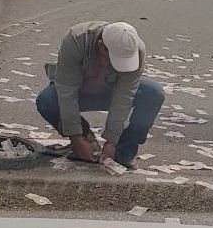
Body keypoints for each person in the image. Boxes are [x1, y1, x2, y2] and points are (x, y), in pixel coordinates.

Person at [35, 21, 164, 169]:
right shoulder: (76, 40)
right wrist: (77, 138)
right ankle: (87, 139)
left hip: (110, 92)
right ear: (101, 46)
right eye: (113, 59)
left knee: (153, 94)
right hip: (79, 92)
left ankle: (122, 153)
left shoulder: (136, 50)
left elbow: (125, 95)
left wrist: (111, 141)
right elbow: (67, 92)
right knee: (47, 100)